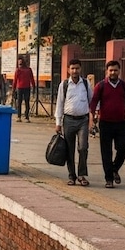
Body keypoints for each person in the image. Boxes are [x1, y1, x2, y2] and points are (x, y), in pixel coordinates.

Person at [90, 60, 125, 188]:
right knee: (106, 152)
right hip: (105, 123)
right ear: (107, 71)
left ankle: (114, 168)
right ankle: (109, 179)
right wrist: (91, 115)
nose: (113, 72)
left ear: (119, 71)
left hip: (121, 123)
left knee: (123, 148)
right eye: (110, 70)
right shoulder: (101, 86)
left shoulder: (124, 86)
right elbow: (94, 101)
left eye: (115, 70)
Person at [55, 58, 93, 186]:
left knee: (83, 148)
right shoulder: (64, 85)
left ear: (80, 69)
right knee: (69, 149)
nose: (75, 71)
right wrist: (58, 123)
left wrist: (93, 119)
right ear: (68, 70)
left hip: (83, 120)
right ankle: (72, 176)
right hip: (68, 120)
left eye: (77, 68)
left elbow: (92, 102)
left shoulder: (86, 84)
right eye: (72, 68)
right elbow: (59, 104)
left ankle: (82, 175)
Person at [13, 57, 36, 122]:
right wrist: (34, 87)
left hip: (20, 87)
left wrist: (13, 89)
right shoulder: (29, 69)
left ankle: (19, 116)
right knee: (26, 102)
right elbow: (32, 79)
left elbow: (15, 81)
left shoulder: (18, 70)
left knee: (19, 102)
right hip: (26, 87)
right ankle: (26, 117)